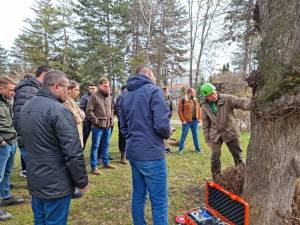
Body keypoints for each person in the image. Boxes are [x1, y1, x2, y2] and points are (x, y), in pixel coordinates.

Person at [19, 70, 88, 225]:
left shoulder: (26, 107)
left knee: (40, 220)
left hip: (36, 178)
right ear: (57, 86)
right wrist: (82, 181)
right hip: (55, 182)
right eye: (66, 87)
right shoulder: (59, 110)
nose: (68, 91)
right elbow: (73, 152)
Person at [120, 65, 171, 225]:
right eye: (154, 74)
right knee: (159, 201)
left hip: (134, 152)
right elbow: (162, 125)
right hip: (150, 153)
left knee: (139, 195)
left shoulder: (125, 95)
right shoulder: (154, 90)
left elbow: (123, 126)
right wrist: (167, 132)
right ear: (148, 74)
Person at [200, 83, 251, 179]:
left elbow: (240, 102)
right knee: (215, 157)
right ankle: (216, 177)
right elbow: (205, 124)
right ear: (206, 97)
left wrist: (252, 104)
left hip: (230, 131)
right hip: (215, 134)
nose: (213, 96)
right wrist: (207, 140)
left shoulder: (227, 98)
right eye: (210, 95)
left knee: (238, 156)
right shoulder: (205, 106)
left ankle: (240, 176)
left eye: (214, 93)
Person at [13, 65, 52, 177]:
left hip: (32, 136)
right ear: (44, 75)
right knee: (35, 169)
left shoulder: (35, 88)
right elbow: (21, 116)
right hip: (28, 137)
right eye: (51, 76)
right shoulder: (29, 89)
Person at [0, 76, 25, 221]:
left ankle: (6, 196)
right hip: (2, 144)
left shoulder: (6, 101)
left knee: (7, 173)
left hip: (11, 141)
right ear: (1, 88)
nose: (13, 93)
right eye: (10, 90)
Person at [86, 77, 116, 175]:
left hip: (108, 126)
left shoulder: (109, 96)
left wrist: (111, 118)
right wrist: (96, 120)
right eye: (105, 86)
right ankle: (94, 167)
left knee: (106, 145)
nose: (107, 88)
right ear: (100, 86)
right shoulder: (93, 96)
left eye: (108, 86)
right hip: (97, 127)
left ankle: (106, 163)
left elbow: (112, 108)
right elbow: (89, 111)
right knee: (95, 146)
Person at [64, 80, 86, 199]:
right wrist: (80, 115)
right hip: (73, 135)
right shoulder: (66, 102)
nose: (78, 92)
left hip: (78, 133)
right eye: (76, 89)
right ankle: (71, 188)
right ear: (69, 89)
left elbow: (82, 113)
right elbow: (77, 117)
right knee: (72, 161)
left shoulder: (72, 101)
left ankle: (73, 185)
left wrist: (81, 114)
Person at [177, 88, 203, 154]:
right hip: (186, 122)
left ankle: (198, 149)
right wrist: (183, 120)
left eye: (194, 93)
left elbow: (199, 109)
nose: (194, 94)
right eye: (193, 93)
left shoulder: (196, 99)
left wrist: (199, 118)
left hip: (195, 121)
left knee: (195, 135)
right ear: (189, 93)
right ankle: (180, 149)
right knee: (184, 135)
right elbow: (179, 111)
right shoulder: (183, 100)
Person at [80, 83, 97, 149]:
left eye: (93, 88)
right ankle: (81, 152)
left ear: (96, 89)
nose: (91, 90)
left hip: (96, 121)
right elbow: (82, 108)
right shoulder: (85, 97)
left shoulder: (99, 96)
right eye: (90, 88)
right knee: (84, 137)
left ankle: (99, 155)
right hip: (87, 121)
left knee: (97, 139)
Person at [114, 85, 127, 164]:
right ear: (123, 90)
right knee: (123, 137)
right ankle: (123, 156)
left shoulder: (128, 96)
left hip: (127, 121)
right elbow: (117, 108)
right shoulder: (121, 97)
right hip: (123, 121)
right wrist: (121, 119)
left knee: (124, 137)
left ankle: (124, 153)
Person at [162, 87, 174, 153]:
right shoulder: (159, 98)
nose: (166, 93)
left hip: (168, 118)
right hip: (161, 118)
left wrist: (170, 114)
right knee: (162, 132)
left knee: (168, 133)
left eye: (167, 91)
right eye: (165, 92)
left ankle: (166, 147)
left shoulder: (169, 98)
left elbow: (171, 108)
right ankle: (163, 147)